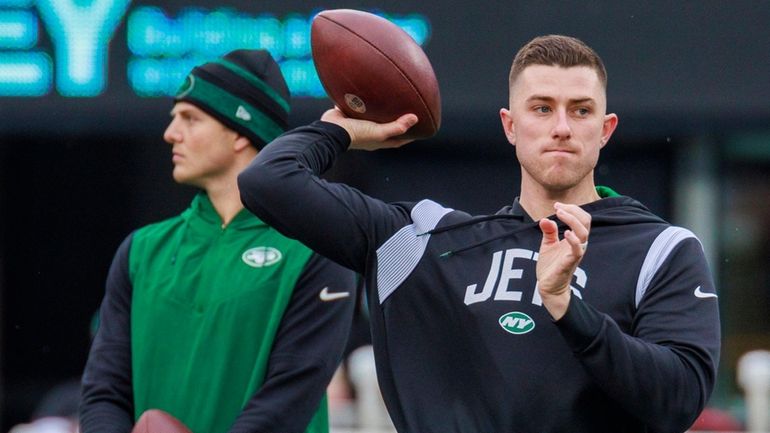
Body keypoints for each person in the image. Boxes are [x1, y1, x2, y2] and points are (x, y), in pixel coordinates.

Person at [237, 35, 721, 432]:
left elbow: (678, 401)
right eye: (541, 108)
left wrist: (567, 308)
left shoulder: (661, 249)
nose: (561, 128)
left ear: (606, 128)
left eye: (580, 110)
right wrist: (341, 131)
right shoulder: (422, 241)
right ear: (510, 126)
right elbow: (267, 182)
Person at [79, 49, 357, 433]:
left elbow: (288, 398)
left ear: (242, 132)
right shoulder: (141, 251)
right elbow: (104, 391)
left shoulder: (319, 249)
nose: (170, 133)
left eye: (190, 119)